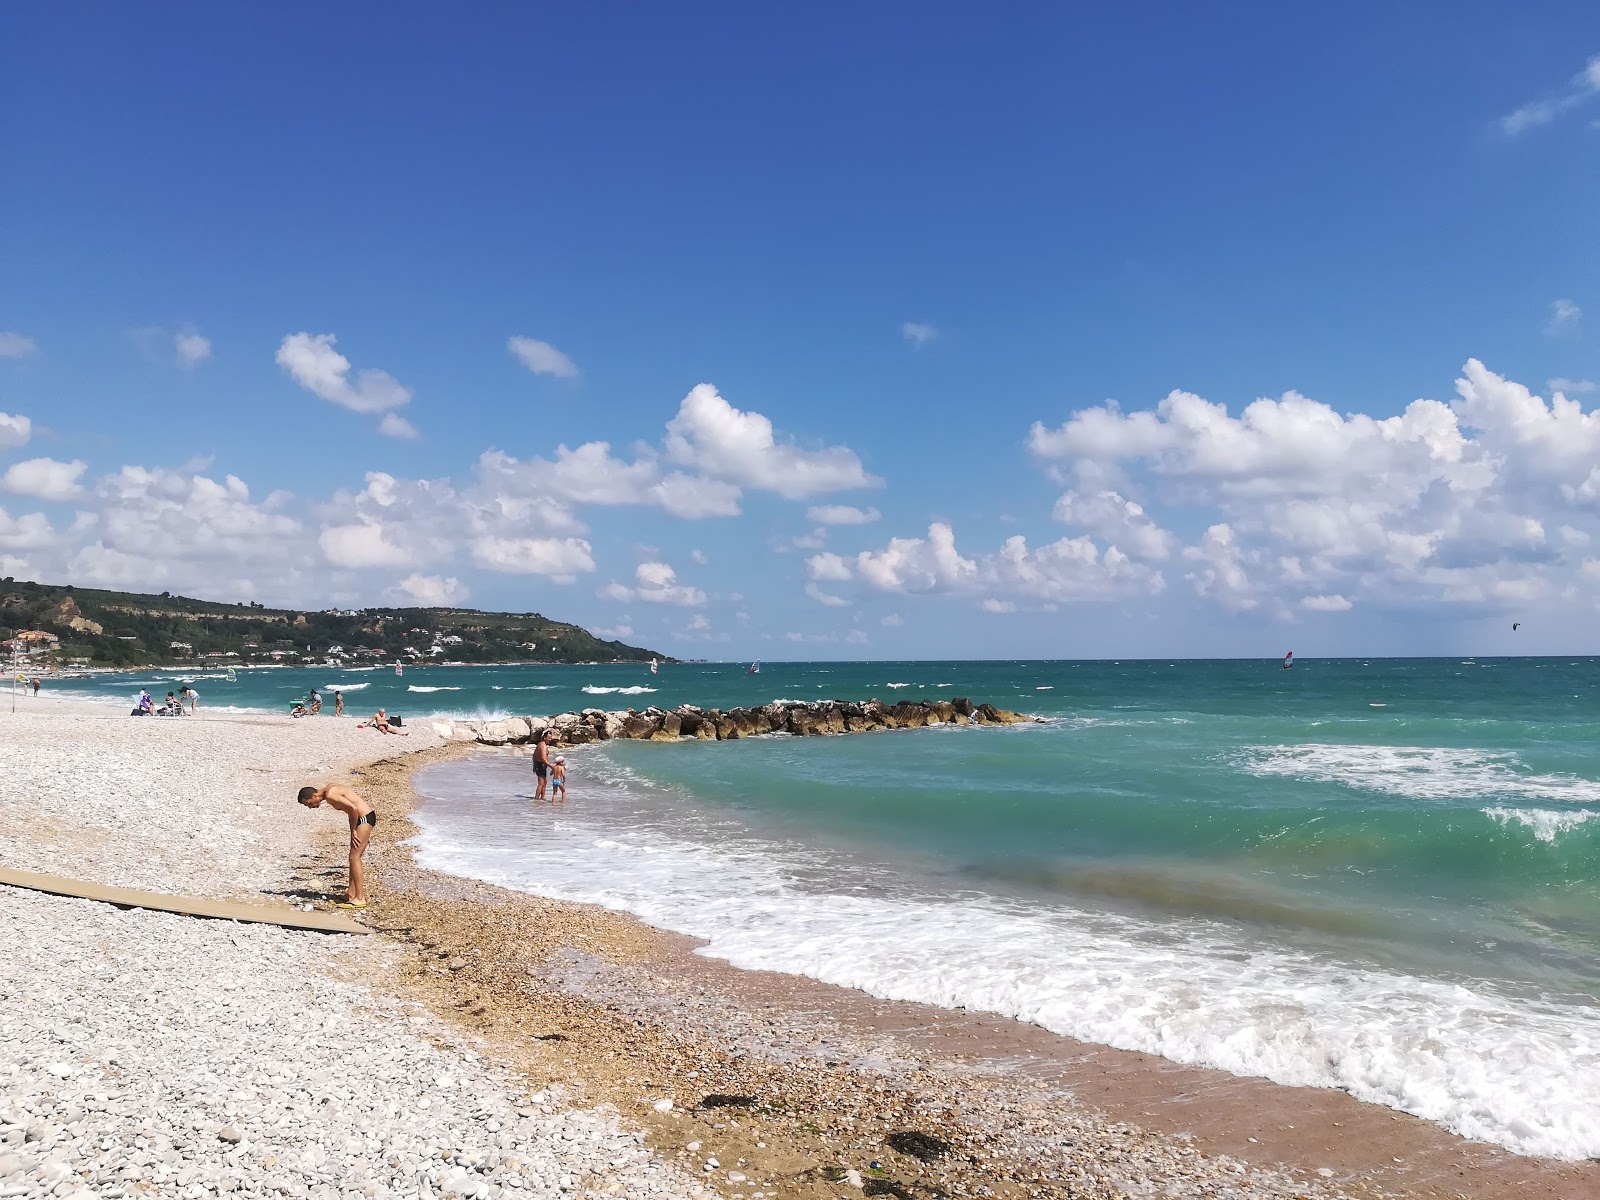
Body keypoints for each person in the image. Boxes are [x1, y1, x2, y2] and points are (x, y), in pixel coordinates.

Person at [295, 783, 376, 909]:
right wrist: (352, 831)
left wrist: (354, 830)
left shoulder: (331, 794)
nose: (311, 807)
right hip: (361, 819)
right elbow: (350, 811)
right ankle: (351, 894)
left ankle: (360, 898)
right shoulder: (329, 791)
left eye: (310, 803)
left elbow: (354, 809)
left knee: (354, 857)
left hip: (365, 818)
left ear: (314, 795)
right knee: (353, 857)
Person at [531, 729, 554, 800]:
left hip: (540, 765)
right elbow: (543, 759)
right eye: (549, 738)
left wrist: (534, 764)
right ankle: (536, 799)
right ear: (544, 737)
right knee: (541, 783)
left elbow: (534, 755)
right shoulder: (543, 746)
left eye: (551, 738)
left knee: (545, 782)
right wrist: (552, 766)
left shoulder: (540, 744)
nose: (550, 740)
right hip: (540, 765)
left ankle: (542, 797)